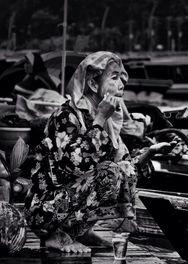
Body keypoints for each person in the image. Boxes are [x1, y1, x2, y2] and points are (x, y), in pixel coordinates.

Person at [25, 51, 174, 253]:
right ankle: (56, 235)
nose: (121, 84)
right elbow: (75, 165)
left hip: (68, 199)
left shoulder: (107, 120)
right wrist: (100, 120)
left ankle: (80, 231)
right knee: (108, 172)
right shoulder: (67, 115)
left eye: (123, 78)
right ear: (94, 84)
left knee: (120, 171)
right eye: (114, 78)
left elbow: (125, 168)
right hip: (45, 209)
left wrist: (148, 154)